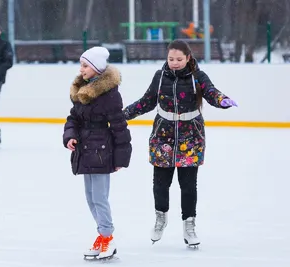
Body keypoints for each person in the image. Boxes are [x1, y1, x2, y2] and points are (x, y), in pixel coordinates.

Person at [123, 39, 237, 247]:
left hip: (190, 137)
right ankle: (160, 217)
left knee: (188, 185)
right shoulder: (160, 77)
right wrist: (124, 114)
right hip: (163, 136)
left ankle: (189, 224)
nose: (174, 63)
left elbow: (211, 93)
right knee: (160, 183)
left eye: (179, 59)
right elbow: (146, 101)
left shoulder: (197, 77)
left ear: (188, 58)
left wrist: (222, 100)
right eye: (171, 59)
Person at [63, 47, 132, 260]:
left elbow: (119, 126)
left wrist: (121, 157)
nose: (81, 69)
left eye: (85, 65)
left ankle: (107, 237)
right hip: (85, 151)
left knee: (100, 198)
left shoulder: (109, 94)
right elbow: (73, 118)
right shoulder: (82, 91)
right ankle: (102, 235)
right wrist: (70, 136)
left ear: (96, 68)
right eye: (81, 65)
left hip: (102, 152)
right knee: (91, 198)